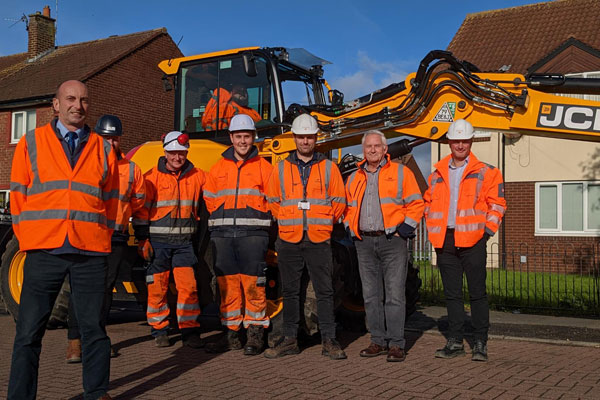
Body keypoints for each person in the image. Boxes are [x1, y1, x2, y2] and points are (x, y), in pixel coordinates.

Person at [8, 80, 119, 400]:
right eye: (70, 99)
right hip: (44, 249)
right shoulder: (31, 142)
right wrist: (28, 238)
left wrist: (103, 234)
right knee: (28, 333)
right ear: (56, 105)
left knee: (94, 330)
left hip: (90, 250)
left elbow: (111, 200)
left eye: (84, 100)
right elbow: (18, 196)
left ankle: (97, 393)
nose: (78, 105)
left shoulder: (104, 148)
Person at [265, 113, 347, 360]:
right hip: (289, 240)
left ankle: (329, 340)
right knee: (290, 291)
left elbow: (339, 202)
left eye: (309, 137)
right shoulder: (280, 169)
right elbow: (272, 201)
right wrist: (290, 221)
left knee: (325, 291)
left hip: (319, 239)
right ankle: (290, 340)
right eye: (301, 137)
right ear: (295, 138)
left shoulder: (329, 168)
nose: (305, 141)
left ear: (315, 139)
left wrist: (322, 223)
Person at [65, 115, 146, 363]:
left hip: (116, 238)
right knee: (81, 289)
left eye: (114, 138)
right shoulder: (83, 166)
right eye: (105, 138)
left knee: (104, 291)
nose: (110, 143)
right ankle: (74, 342)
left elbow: (139, 206)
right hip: (87, 235)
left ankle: (96, 338)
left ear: (120, 140)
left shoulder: (131, 170)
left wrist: (143, 237)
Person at [424, 119, 506, 362]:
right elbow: (428, 204)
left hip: (473, 240)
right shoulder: (436, 173)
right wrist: (432, 227)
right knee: (452, 294)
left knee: (477, 293)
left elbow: (498, 205)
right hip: (445, 240)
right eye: (456, 140)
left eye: (464, 140)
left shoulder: (488, 171)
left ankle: (480, 342)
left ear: (471, 141)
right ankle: (455, 341)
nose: (460, 144)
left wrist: (486, 233)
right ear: (449, 142)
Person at [344, 131, 424, 362]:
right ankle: (377, 341)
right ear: (363, 149)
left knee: (395, 295)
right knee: (370, 295)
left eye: (376, 146)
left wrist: (404, 230)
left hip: (393, 241)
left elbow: (416, 204)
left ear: (385, 149)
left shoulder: (401, 173)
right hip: (364, 242)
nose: (372, 150)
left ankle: (396, 344)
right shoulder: (354, 177)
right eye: (368, 146)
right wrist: (352, 229)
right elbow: (348, 208)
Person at [203, 114, 273, 355]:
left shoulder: (265, 167)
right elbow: (209, 199)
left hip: (253, 234)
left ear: (253, 138)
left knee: (254, 286)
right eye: (238, 136)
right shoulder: (217, 167)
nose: (243, 141)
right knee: (227, 285)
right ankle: (232, 335)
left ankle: (255, 335)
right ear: (231, 138)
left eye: (247, 136)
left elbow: (274, 200)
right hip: (223, 235)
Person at [134, 130, 206, 348]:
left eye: (182, 153)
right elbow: (140, 212)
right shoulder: (150, 178)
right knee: (158, 288)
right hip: (158, 244)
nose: (177, 158)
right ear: (165, 152)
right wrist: (142, 240)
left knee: (189, 288)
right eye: (173, 153)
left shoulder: (198, 176)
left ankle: (189, 330)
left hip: (184, 244)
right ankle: (159, 329)